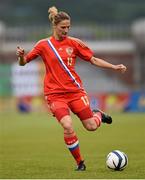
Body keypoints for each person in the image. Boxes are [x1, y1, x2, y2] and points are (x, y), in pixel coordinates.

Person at [16, 6, 127, 171]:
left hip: (75, 92)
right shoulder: (43, 45)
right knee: (67, 125)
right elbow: (24, 62)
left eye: (68, 27)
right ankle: (80, 163)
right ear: (55, 26)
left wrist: (114, 67)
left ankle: (98, 115)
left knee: (91, 126)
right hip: (54, 94)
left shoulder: (74, 43)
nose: (66, 30)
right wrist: (20, 57)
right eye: (63, 28)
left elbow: (93, 60)